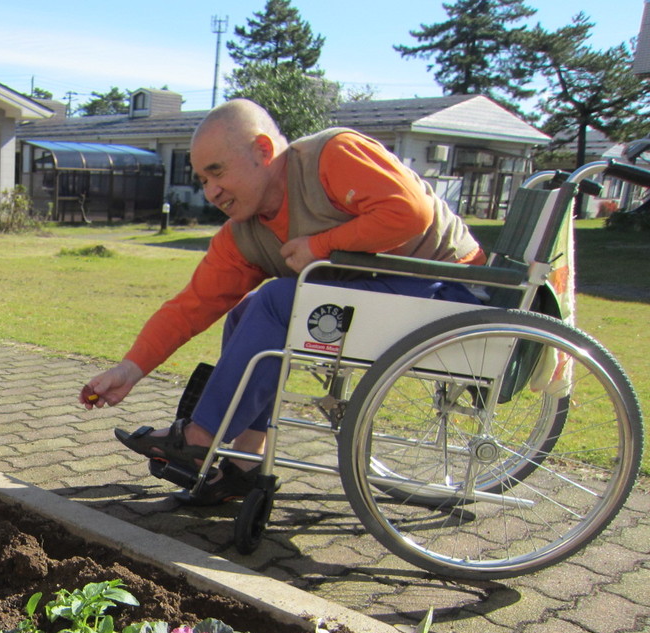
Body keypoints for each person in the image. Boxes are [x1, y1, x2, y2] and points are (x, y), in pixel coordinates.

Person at [78, 99, 486, 504]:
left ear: (263, 151)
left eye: (217, 172)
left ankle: (201, 438)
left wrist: (320, 245)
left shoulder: (332, 155)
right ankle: (245, 464)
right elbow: (193, 304)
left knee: (278, 300)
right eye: (202, 179)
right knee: (245, 313)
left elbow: (410, 214)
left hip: (447, 285)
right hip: (387, 293)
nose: (211, 192)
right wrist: (130, 369)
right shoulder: (243, 234)